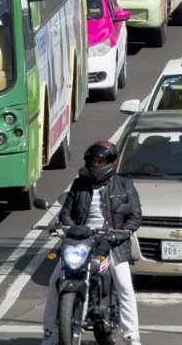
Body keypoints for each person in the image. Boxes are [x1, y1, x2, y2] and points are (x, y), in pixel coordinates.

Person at [43, 141, 143, 345]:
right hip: (81, 240)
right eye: (92, 161)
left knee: (125, 286)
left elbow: (135, 216)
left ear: (111, 163)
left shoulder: (125, 185)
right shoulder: (79, 184)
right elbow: (66, 214)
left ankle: (132, 337)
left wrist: (120, 233)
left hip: (113, 243)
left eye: (100, 161)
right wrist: (70, 228)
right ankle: (51, 334)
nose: (95, 165)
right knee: (54, 282)